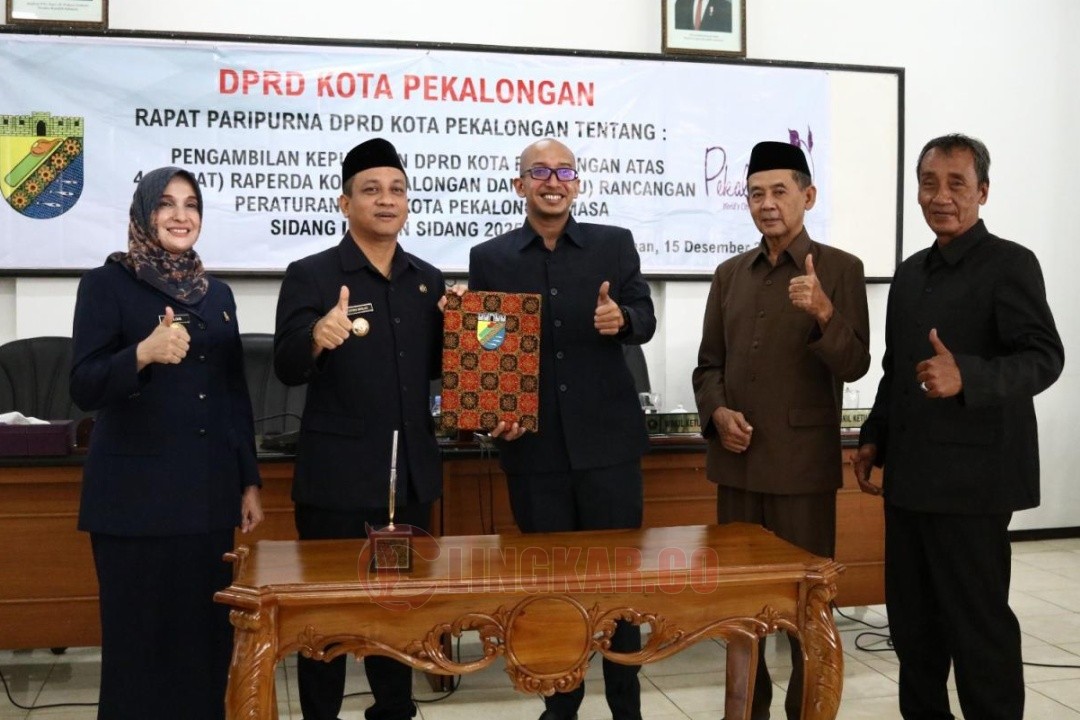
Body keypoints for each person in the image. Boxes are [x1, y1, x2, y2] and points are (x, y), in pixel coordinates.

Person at [854, 133, 1064, 720]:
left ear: (983, 192)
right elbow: (898, 369)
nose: (940, 196)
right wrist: (875, 434)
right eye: (928, 183)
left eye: (956, 184)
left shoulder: (1011, 264)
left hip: (975, 484)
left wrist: (966, 374)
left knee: (979, 632)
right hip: (912, 482)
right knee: (914, 632)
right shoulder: (910, 271)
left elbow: (1045, 357)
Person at [468, 137, 656, 720]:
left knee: (619, 587)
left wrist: (620, 318)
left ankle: (626, 705)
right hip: (534, 450)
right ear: (519, 184)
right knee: (550, 590)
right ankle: (562, 701)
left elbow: (645, 318)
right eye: (539, 172)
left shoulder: (613, 244)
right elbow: (487, 346)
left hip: (608, 450)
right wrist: (489, 407)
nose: (553, 181)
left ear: (578, 183)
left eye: (564, 171)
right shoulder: (491, 258)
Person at [70, 166, 264, 720]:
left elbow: (233, 395)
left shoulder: (217, 293)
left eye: (192, 204)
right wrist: (141, 354)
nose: (181, 215)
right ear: (144, 213)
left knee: (206, 646)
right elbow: (83, 385)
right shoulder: (106, 284)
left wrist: (248, 479)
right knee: (140, 653)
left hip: (206, 500)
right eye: (167, 204)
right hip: (134, 505)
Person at [692, 141, 870, 720]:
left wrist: (824, 311)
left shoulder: (840, 269)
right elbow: (707, 366)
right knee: (741, 612)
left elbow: (856, 364)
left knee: (804, 613)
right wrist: (718, 414)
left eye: (779, 192)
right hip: (738, 469)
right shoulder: (728, 274)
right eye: (755, 194)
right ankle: (747, 712)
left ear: (807, 196)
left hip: (801, 473)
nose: (767, 205)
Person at [274, 137, 446, 720]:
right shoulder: (313, 276)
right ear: (345, 203)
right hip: (336, 485)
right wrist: (315, 338)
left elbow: (442, 370)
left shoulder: (428, 280)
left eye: (396, 189)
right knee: (327, 622)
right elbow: (286, 365)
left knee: (398, 616)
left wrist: (472, 331)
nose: (386, 200)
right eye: (371, 190)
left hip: (409, 482)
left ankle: (396, 711)